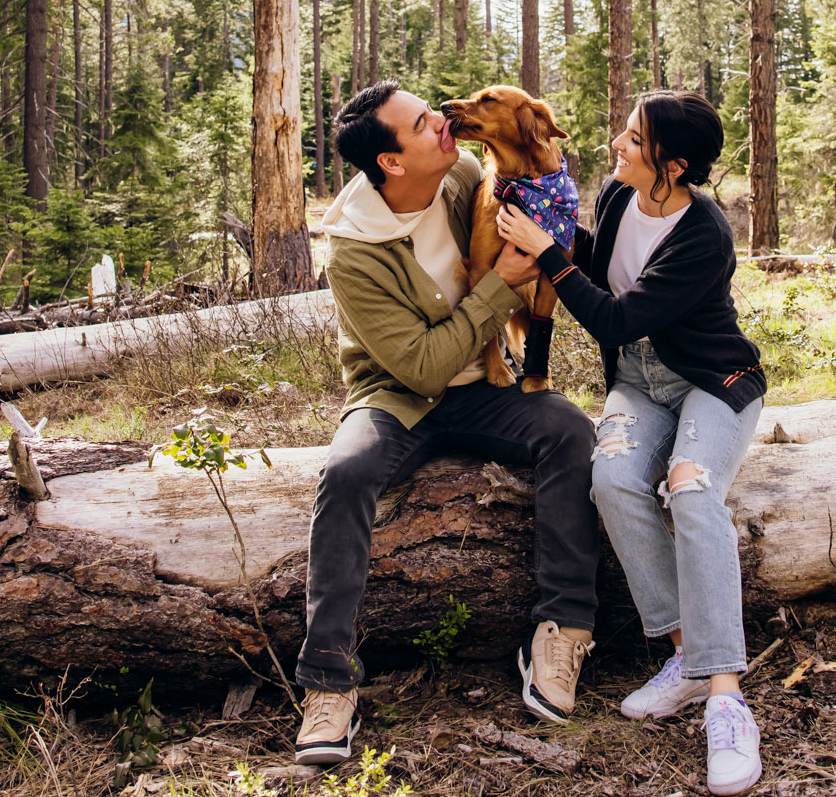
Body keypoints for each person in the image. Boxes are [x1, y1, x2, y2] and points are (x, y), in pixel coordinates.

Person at [293, 82, 601, 766]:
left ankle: (564, 628)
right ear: (392, 162)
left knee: (572, 432)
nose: (443, 121)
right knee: (345, 475)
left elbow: (538, 181)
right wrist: (498, 288)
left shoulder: (468, 171)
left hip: (487, 386)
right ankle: (326, 682)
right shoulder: (354, 248)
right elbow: (422, 368)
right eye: (423, 122)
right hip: (399, 395)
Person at [496, 90, 766, 797]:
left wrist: (548, 253)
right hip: (641, 385)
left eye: (635, 138)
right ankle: (683, 655)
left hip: (712, 378)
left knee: (691, 488)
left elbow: (615, 319)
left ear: (672, 166)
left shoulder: (704, 233)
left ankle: (726, 700)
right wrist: (540, 230)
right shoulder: (618, 197)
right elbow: (589, 261)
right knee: (612, 478)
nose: (618, 142)